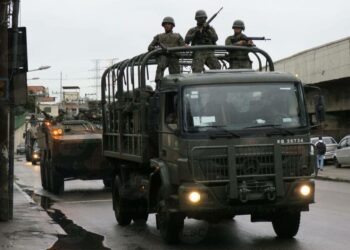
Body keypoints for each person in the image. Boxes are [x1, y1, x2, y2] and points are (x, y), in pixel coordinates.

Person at [148, 16, 185, 86]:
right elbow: (150, 47)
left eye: (169, 24)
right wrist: (158, 50)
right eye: (165, 24)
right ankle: (158, 86)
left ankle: (176, 87)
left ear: (172, 26)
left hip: (174, 56)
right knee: (160, 67)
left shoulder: (177, 36)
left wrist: (181, 47)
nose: (167, 26)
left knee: (176, 76)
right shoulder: (159, 37)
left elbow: (183, 47)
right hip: (163, 56)